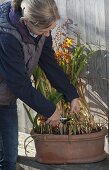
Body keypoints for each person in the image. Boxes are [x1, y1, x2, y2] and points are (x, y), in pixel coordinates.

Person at [0, 0, 80, 169]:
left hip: (5, 98)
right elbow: (18, 83)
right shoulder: (7, 36)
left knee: (8, 157)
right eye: (44, 30)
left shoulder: (40, 31)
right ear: (27, 20)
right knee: (6, 159)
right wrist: (51, 110)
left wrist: (71, 94)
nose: (47, 34)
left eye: (49, 30)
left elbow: (49, 62)